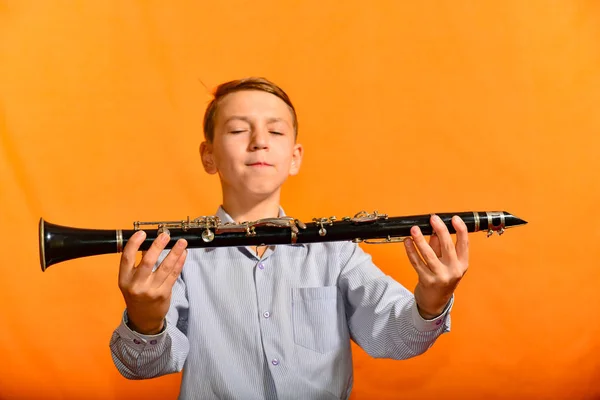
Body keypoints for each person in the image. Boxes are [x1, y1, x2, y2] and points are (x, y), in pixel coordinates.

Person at [109, 77, 469, 400]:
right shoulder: (176, 257)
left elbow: (396, 337)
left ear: (295, 158)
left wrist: (431, 300)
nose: (259, 142)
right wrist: (145, 321)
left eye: (276, 132)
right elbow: (141, 367)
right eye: (237, 130)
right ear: (208, 156)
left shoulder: (336, 251)